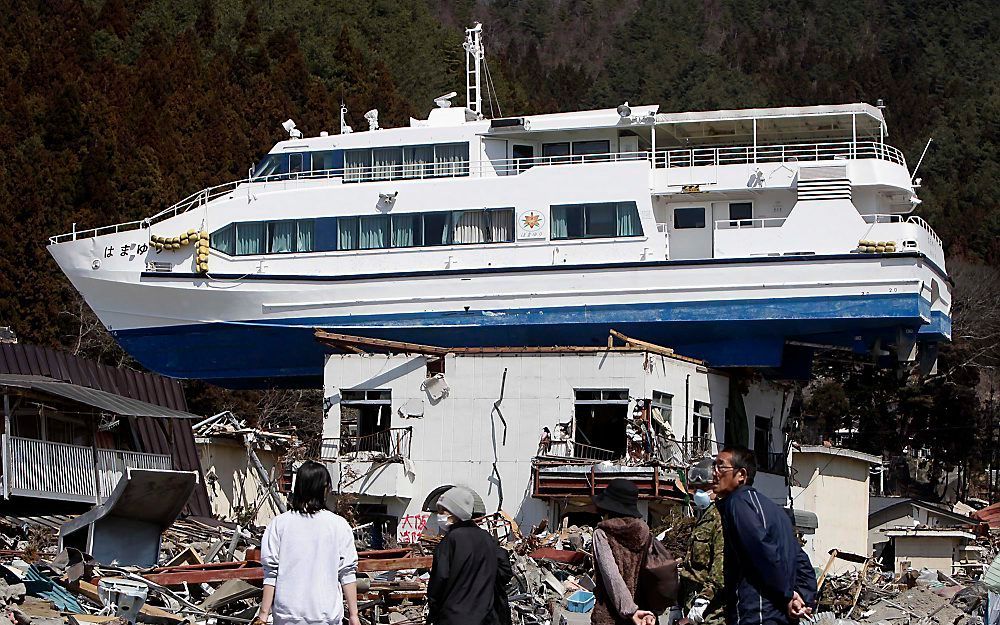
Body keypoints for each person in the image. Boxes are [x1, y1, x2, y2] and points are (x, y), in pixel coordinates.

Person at [714, 447, 817, 625]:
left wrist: (788, 594)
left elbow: (761, 551)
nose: (714, 473)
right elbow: (800, 559)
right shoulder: (775, 512)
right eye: (713, 466)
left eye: (721, 467)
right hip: (779, 616)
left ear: (741, 475)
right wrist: (803, 597)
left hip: (756, 614)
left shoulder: (738, 503)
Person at [257, 461, 360, 625]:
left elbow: (271, 573)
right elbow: (347, 573)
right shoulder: (338, 525)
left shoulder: (279, 524)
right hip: (326, 616)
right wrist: (354, 615)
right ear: (324, 488)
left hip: (287, 615)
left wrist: (263, 615)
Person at [427, 487, 499, 625]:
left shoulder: (452, 539)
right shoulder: (487, 539)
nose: (439, 515)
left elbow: (439, 579)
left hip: (454, 617)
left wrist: (434, 610)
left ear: (456, 513)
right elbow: (500, 572)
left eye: (443, 511)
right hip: (485, 616)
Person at [591, 479, 658, 625]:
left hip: (611, 615)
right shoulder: (645, 531)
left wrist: (629, 610)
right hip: (644, 613)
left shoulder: (602, 533)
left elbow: (611, 575)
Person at [679, 458, 725, 625]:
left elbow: (720, 566)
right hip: (690, 601)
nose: (699, 493)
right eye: (696, 488)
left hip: (711, 611)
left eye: (705, 489)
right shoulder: (702, 518)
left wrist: (704, 599)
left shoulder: (719, 518)